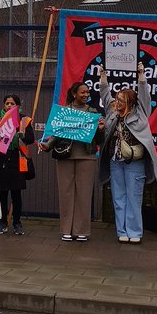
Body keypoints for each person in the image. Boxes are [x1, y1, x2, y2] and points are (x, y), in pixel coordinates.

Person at [98, 63, 157, 245]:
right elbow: (105, 94)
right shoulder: (111, 113)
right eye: (116, 99)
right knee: (118, 197)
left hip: (135, 162)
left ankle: (134, 231)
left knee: (134, 197)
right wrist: (103, 76)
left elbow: (144, 95)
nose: (116, 103)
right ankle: (122, 231)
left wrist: (141, 75)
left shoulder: (141, 113)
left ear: (130, 103)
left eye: (121, 100)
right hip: (115, 161)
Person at [38, 81, 104, 242]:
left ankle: (82, 230)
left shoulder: (93, 112)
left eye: (87, 92)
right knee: (65, 193)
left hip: (87, 156)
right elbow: (57, 133)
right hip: (65, 155)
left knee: (84, 194)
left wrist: (101, 130)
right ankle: (66, 229)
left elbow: (99, 140)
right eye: (83, 92)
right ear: (74, 94)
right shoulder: (64, 111)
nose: (86, 95)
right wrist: (47, 145)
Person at [0, 94, 34, 236]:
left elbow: (31, 138)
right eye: (7, 103)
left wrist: (22, 136)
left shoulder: (24, 120)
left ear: (17, 106)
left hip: (17, 160)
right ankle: (2, 222)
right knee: (2, 193)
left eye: (12, 103)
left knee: (16, 194)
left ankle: (17, 223)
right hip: (1, 161)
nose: (9, 106)